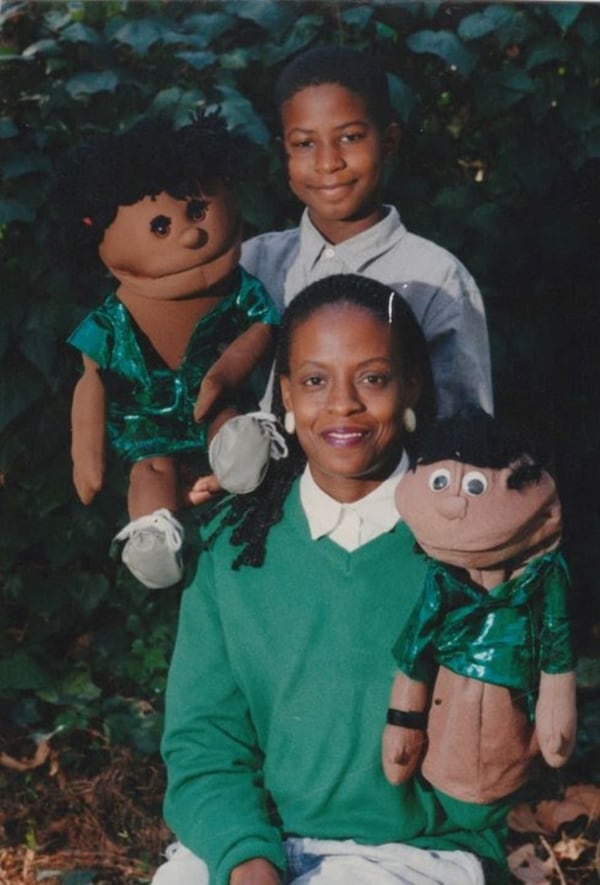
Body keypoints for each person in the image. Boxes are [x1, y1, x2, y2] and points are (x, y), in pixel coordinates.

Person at [152, 275, 510, 885]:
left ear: (411, 386)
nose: (342, 403)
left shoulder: (472, 540)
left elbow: (491, 757)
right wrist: (248, 861)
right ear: (286, 394)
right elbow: (204, 744)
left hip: (418, 853)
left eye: (372, 378)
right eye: (315, 381)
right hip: (261, 844)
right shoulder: (233, 546)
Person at [202, 45, 494, 501]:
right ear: (284, 152)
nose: (327, 162)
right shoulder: (254, 265)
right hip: (258, 514)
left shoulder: (437, 278)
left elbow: (465, 428)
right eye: (305, 143)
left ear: (390, 140)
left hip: (393, 511)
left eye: (350, 137)